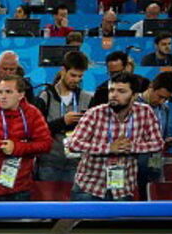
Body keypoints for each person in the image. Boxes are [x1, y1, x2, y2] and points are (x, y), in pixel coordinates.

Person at [66, 72, 164, 201]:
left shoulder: (145, 112)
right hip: (89, 187)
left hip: (123, 188)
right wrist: (109, 148)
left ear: (134, 95)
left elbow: (158, 143)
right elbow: (73, 144)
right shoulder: (95, 113)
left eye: (121, 91)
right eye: (111, 90)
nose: (114, 95)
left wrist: (131, 147)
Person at [0, 75, 52, 201]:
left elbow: (45, 144)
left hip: (21, 188)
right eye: (0, 92)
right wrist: (2, 147)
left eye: (8, 92)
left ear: (21, 95)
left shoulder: (32, 113)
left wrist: (17, 148)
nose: (3, 96)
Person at [35, 50, 93, 183]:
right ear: (63, 71)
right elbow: (37, 132)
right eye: (73, 75)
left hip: (77, 164)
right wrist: (62, 122)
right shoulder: (45, 97)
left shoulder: (87, 98)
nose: (76, 80)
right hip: (49, 163)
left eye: (80, 76)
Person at [135, 72, 172, 196]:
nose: (161, 101)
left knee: (154, 184)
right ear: (151, 87)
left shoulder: (165, 109)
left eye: (165, 99)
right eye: (159, 96)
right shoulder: (133, 105)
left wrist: (167, 140)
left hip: (156, 157)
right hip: (135, 160)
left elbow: (166, 132)